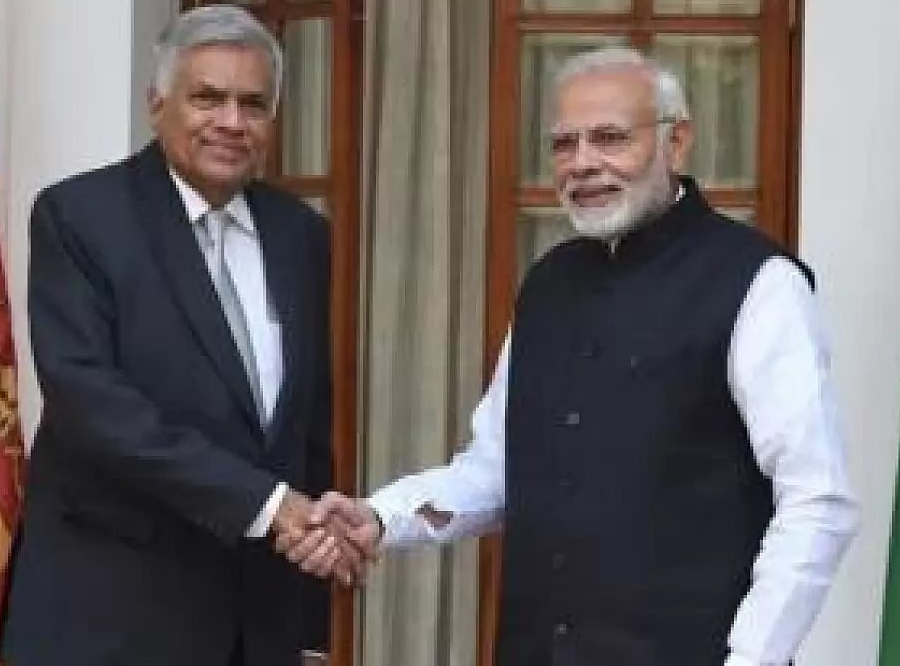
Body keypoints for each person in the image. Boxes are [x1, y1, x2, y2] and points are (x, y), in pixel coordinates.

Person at [293, 47, 858, 665]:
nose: (584, 164)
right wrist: (379, 516)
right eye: (565, 144)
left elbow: (816, 499)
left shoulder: (758, 282)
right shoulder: (548, 283)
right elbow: (495, 470)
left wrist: (751, 659)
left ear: (677, 143)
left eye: (611, 138)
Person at [0, 5, 357, 666]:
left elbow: (305, 429)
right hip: (111, 617)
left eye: (254, 104)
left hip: (255, 627)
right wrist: (268, 503)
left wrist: (307, 630)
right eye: (207, 98)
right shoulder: (80, 217)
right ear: (156, 103)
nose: (231, 122)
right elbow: (94, 405)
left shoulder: (300, 234)